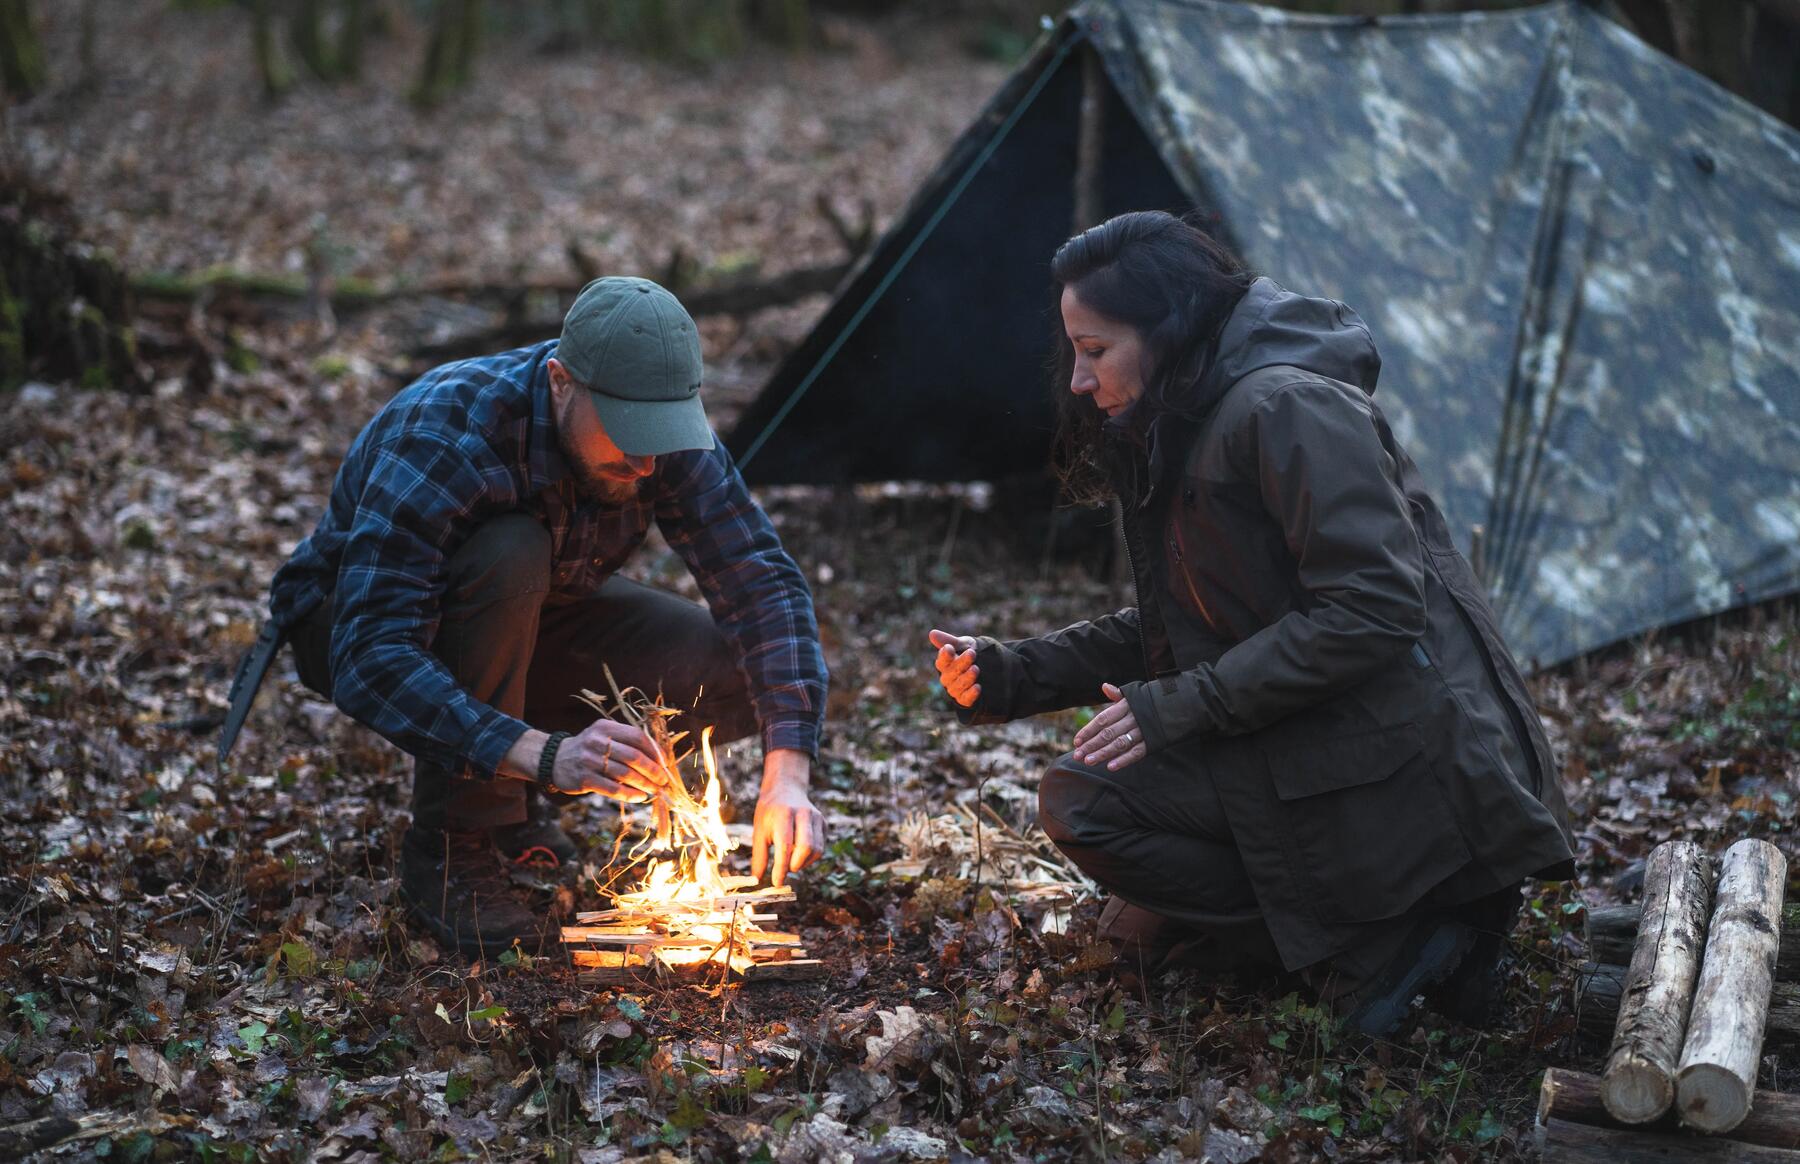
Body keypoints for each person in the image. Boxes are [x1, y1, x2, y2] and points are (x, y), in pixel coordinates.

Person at [928, 211, 1574, 1035]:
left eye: (1096, 353)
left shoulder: (1286, 405)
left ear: (1167, 330)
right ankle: (1385, 932)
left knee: (1086, 802)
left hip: (1419, 771)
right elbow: (1192, 620)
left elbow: (1374, 608)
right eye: (1075, 354)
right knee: (1130, 921)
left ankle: (1396, 933)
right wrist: (1014, 673)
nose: (1081, 383)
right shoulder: (1194, 411)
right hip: (1327, 733)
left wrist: (1179, 707)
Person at [230, 276, 828, 957]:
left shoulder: (664, 438)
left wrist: (789, 770)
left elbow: (764, 587)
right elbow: (371, 653)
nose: (645, 460)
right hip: (358, 624)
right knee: (508, 552)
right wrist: (550, 755)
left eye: (662, 437)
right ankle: (456, 843)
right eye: (628, 433)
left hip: (537, 617)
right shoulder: (449, 429)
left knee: (740, 672)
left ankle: (515, 809)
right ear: (561, 381)